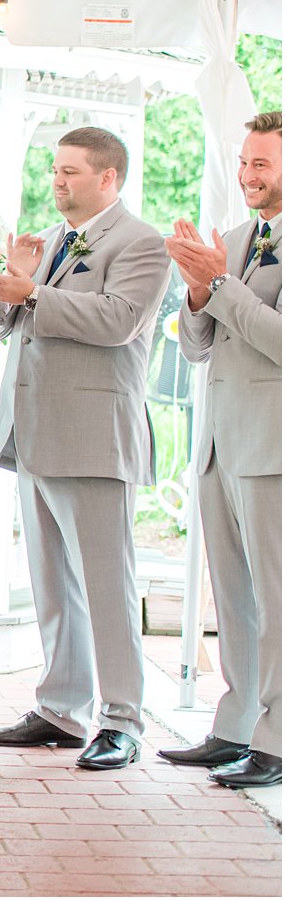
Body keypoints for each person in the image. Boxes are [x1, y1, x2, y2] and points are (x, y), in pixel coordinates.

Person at [0, 126, 169, 771]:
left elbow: (119, 321)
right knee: (51, 583)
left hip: (92, 436)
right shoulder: (51, 241)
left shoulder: (141, 242)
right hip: (35, 433)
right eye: (55, 170)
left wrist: (33, 293)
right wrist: (14, 282)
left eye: (72, 172)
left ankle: (122, 720)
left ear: (108, 178)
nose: (58, 181)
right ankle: (61, 708)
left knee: (105, 586)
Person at [159, 111, 282, 789]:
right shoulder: (232, 240)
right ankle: (234, 725)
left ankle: (278, 738)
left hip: (274, 446)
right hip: (219, 441)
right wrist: (199, 291)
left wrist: (224, 285)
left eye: (261, 164)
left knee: (278, 597)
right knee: (232, 597)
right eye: (244, 162)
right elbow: (197, 346)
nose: (247, 176)